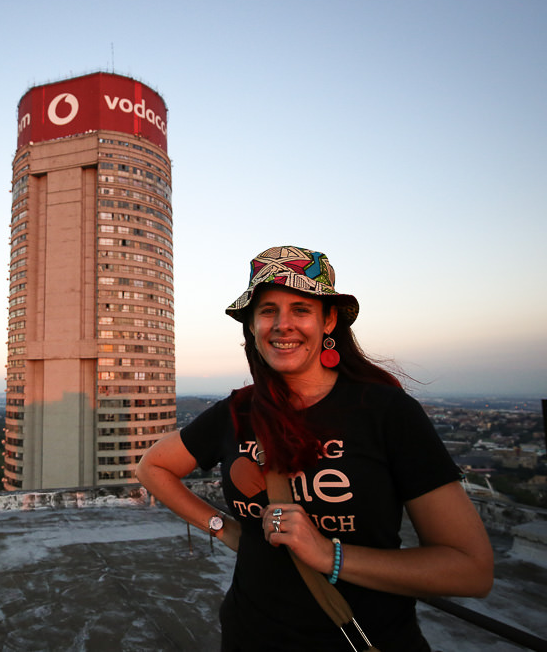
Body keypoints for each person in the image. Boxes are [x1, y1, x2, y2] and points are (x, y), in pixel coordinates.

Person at [137, 246, 493, 651]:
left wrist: (329, 556)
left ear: (329, 320)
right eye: (267, 310)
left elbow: (470, 570)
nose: (282, 325)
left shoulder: (385, 412)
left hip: (361, 638)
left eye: (301, 309)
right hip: (249, 635)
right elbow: (153, 467)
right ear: (251, 326)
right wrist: (224, 529)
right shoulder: (237, 411)